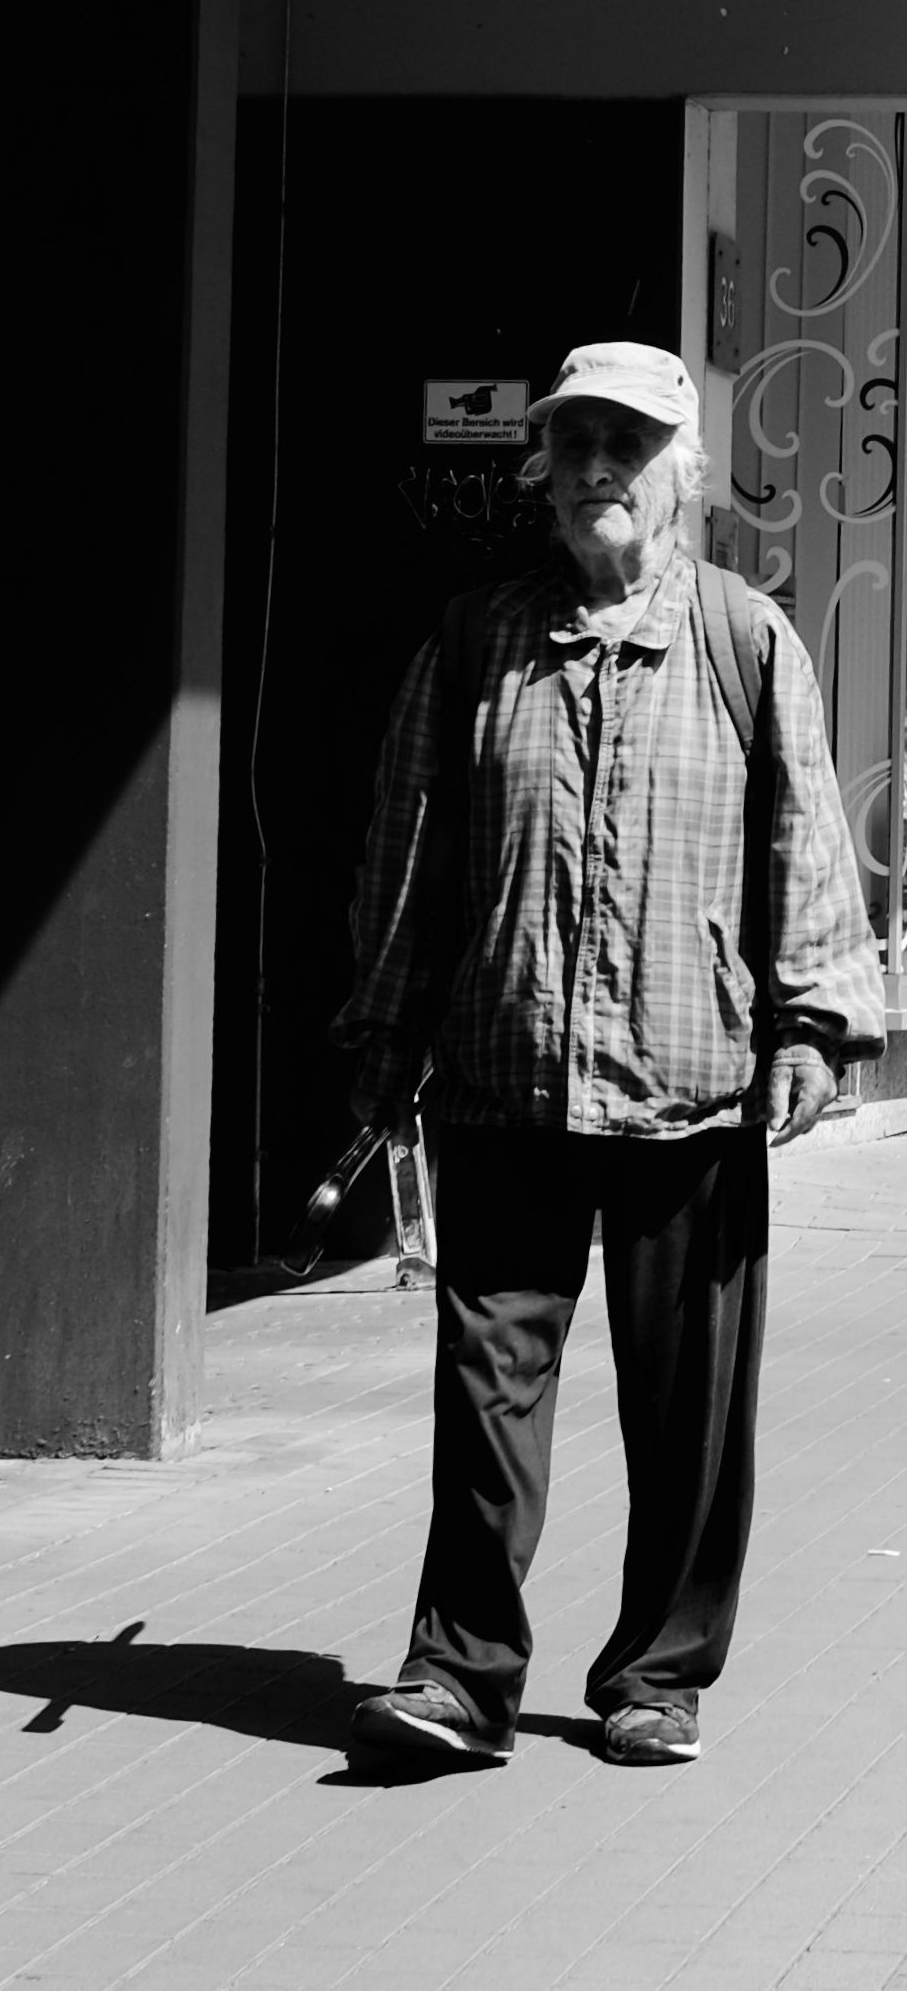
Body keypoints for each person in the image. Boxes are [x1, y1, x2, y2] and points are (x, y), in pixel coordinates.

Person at [333, 341, 884, 1768]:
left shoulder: (744, 640)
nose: (595, 471)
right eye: (573, 444)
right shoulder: (476, 639)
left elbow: (804, 838)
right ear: (544, 469)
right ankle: (460, 1677)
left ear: (680, 474)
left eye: (624, 447)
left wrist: (813, 1023)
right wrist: (385, 1033)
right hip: (501, 1076)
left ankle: (658, 1676)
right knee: (484, 1391)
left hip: (690, 1086)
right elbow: (407, 852)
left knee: (689, 1407)